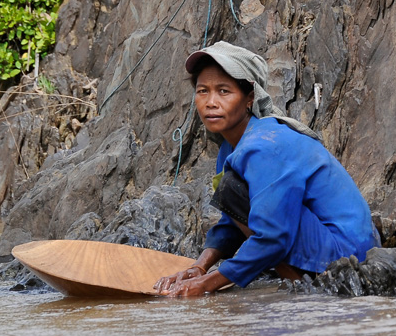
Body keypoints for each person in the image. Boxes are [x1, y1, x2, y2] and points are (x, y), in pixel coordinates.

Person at [155, 41, 380, 297]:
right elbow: (233, 221)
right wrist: (199, 267)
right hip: (330, 243)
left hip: (348, 256)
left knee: (232, 191)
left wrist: (206, 285)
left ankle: (306, 288)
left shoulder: (264, 145)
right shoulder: (231, 149)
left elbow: (273, 236)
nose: (211, 102)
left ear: (250, 97)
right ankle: (298, 277)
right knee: (232, 191)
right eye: (202, 91)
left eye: (224, 91)